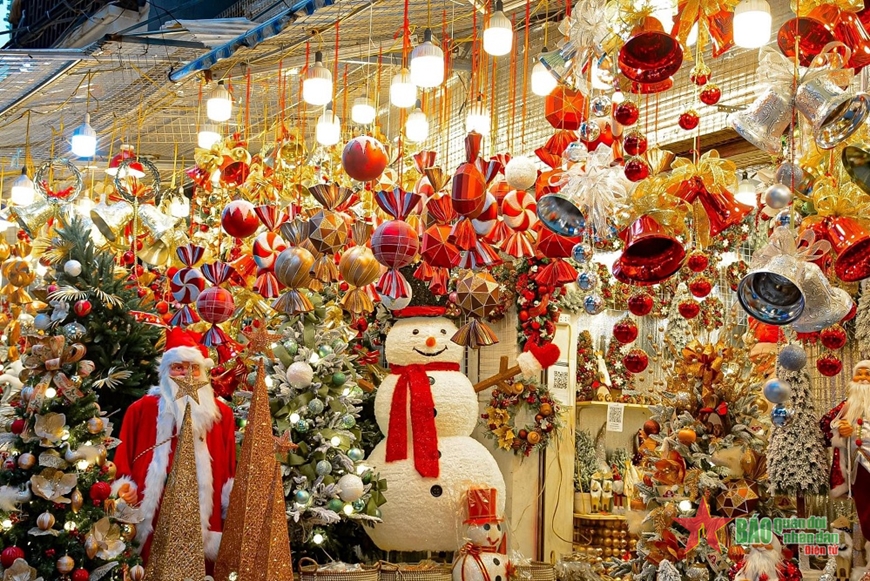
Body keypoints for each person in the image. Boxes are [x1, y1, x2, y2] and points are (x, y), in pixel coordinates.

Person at [112, 327, 236, 565]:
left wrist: (229, 504)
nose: (186, 374)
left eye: (193, 368)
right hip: (153, 509)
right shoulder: (141, 410)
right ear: (166, 372)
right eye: (178, 367)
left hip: (203, 510)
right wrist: (123, 487)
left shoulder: (221, 414)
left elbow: (229, 463)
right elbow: (123, 456)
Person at [821, 361, 870, 539]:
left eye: (867, 374)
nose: (863, 378)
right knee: (865, 507)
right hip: (858, 463)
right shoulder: (847, 405)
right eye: (859, 374)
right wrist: (840, 430)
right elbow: (825, 425)